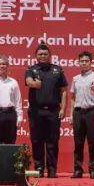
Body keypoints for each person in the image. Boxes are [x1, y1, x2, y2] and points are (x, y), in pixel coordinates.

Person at [24, 43, 68, 178]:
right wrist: (34, 84)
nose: (42, 56)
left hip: (53, 111)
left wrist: (63, 108)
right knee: (37, 140)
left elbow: (64, 91)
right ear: (36, 56)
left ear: (49, 55)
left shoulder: (57, 70)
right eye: (40, 54)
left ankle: (52, 169)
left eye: (45, 54)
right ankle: (39, 168)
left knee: (52, 141)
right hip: (36, 111)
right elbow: (28, 81)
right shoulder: (31, 69)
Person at [69, 50, 94, 179]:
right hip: (78, 112)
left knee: (92, 142)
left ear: (91, 62)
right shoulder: (75, 79)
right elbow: (72, 97)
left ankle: (93, 169)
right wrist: (71, 114)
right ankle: (78, 170)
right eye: (81, 61)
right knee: (78, 142)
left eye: (86, 61)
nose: (84, 63)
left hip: (91, 112)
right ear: (79, 63)